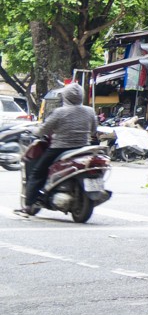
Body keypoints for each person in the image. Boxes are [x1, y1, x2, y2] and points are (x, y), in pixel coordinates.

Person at [18, 83, 95, 216]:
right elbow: (93, 130)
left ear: (65, 97)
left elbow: (43, 130)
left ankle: (29, 206)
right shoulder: (90, 111)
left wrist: (34, 130)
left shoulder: (60, 112)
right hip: (84, 148)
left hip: (60, 148)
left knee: (37, 172)